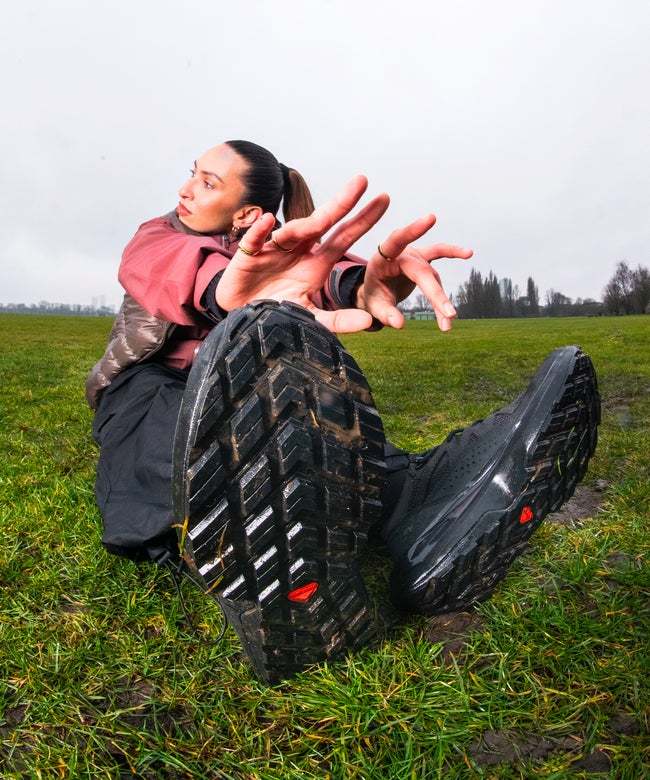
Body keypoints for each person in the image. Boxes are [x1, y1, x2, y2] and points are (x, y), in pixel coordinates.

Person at [87, 140, 600, 683]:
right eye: (193, 174)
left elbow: (323, 274)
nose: (186, 189)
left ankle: (421, 516)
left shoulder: (283, 254)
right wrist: (228, 291)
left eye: (207, 182)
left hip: (258, 398)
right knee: (200, 417)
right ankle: (278, 565)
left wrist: (365, 282)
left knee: (302, 399)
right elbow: (171, 270)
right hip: (150, 389)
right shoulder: (160, 236)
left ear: (246, 214)